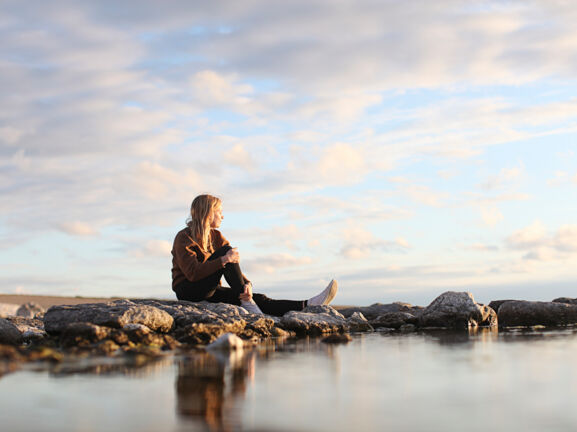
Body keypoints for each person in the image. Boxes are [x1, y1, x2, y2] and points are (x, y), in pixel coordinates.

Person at [171, 194, 338, 316]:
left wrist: (247, 285)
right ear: (208, 213)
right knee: (226, 254)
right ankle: (247, 302)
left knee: (259, 298)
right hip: (188, 291)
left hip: (211, 290)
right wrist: (223, 259)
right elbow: (193, 273)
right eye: (219, 211)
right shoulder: (184, 237)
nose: (222, 216)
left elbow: (231, 263)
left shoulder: (217, 237)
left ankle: (308, 305)